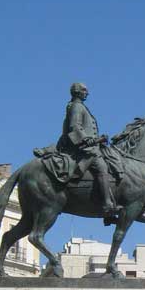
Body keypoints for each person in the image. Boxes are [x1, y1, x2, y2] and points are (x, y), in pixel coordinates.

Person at [35, 82, 119, 216]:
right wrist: (87, 139)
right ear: (77, 92)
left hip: (87, 145)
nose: (87, 93)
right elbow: (75, 126)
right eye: (85, 90)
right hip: (82, 148)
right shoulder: (77, 107)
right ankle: (107, 204)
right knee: (102, 167)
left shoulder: (79, 106)